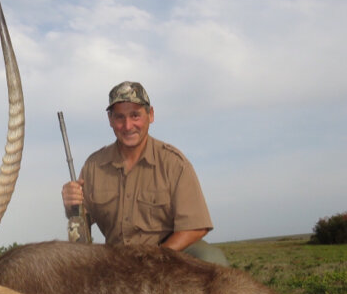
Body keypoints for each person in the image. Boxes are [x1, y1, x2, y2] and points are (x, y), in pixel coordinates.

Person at [61, 81, 229, 266]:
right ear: (110, 120)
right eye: (119, 117)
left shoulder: (174, 163)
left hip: (167, 256)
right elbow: (80, 225)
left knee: (212, 259)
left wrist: (152, 260)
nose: (127, 125)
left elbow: (196, 227)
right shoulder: (94, 166)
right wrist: (72, 206)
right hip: (117, 260)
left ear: (151, 115)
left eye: (135, 115)